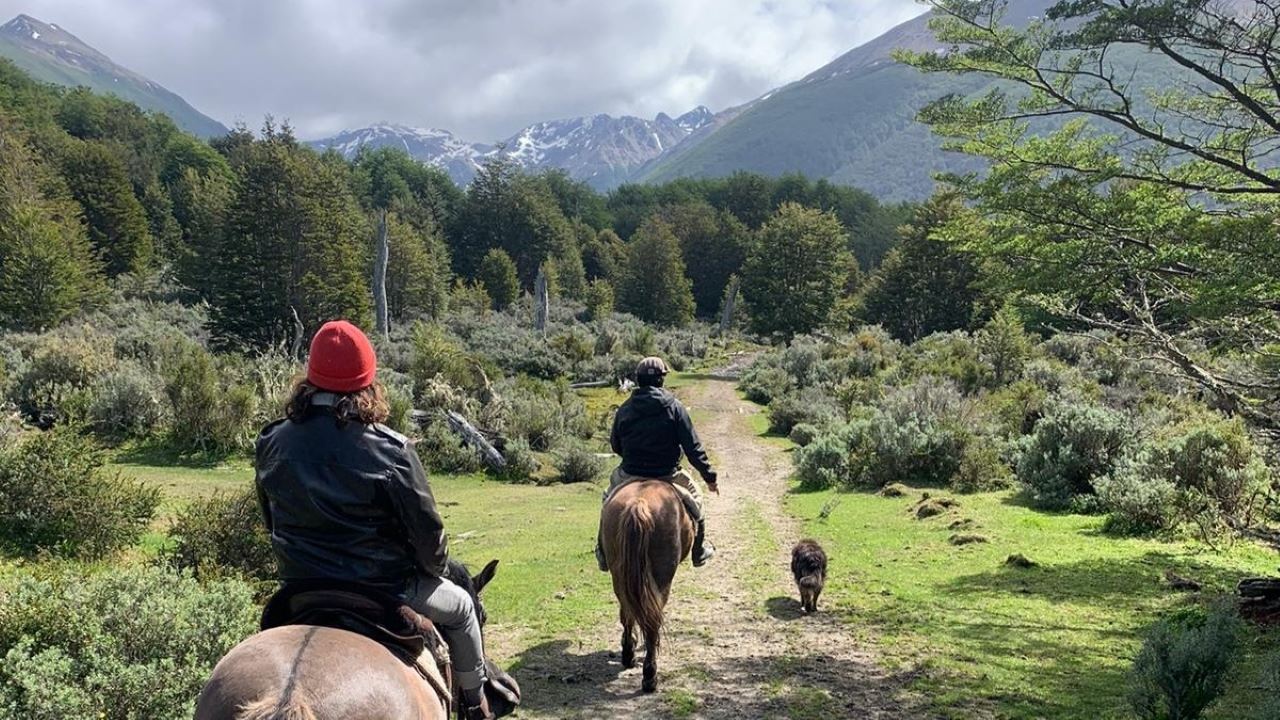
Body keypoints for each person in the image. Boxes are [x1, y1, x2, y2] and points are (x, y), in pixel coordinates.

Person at [255, 320, 492, 720]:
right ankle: (475, 704)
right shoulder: (392, 451)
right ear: (368, 383)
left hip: (301, 587)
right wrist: (432, 569)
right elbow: (430, 542)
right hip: (385, 587)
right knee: (464, 608)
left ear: (309, 380)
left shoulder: (273, 440)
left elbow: (270, 520)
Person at [596, 356, 718, 571]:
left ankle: (603, 553)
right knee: (697, 502)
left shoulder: (625, 408)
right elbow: (692, 447)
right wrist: (709, 477)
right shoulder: (674, 407)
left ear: (639, 380)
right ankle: (698, 552)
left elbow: (615, 445)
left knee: (608, 501)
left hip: (629, 473)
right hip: (667, 474)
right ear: (662, 380)